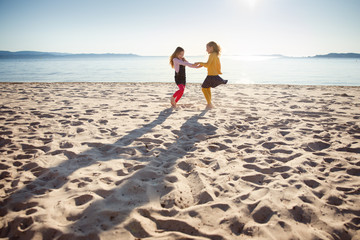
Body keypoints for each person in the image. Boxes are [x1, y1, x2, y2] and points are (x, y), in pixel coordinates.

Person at [195, 41, 228, 109]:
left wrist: (199, 62)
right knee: (207, 88)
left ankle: (209, 104)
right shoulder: (215, 54)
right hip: (213, 74)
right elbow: (210, 65)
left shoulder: (212, 55)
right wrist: (202, 65)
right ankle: (209, 104)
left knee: (204, 88)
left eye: (207, 48)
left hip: (211, 75)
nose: (206, 50)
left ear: (211, 47)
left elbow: (207, 65)